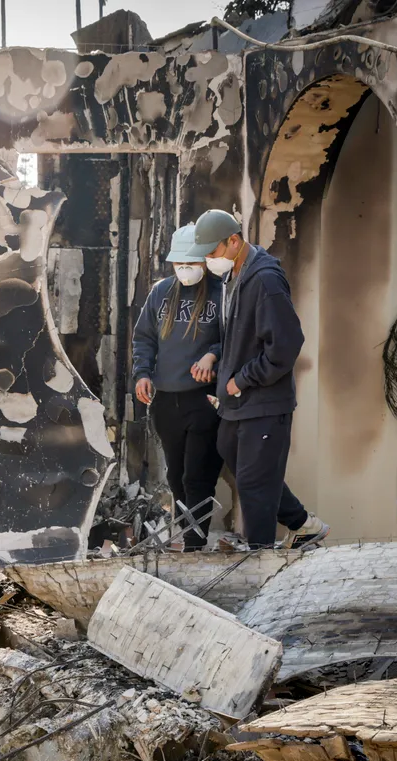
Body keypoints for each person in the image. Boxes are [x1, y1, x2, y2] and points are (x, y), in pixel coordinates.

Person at [185, 209, 330, 550]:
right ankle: (302, 524)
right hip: (236, 402)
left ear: (233, 241)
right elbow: (239, 336)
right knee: (237, 460)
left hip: (263, 402)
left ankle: (260, 559)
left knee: (254, 483)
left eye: (212, 252)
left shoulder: (265, 279)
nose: (208, 260)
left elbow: (286, 344)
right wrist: (218, 362)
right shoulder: (231, 277)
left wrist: (241, 380)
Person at [132, 224, 226, 551]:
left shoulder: (223, 293)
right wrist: (142, 373)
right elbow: (144, 338)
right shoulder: (160, 293)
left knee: (196, 475)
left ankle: (194, 543)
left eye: (191, 262)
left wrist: (214, 354)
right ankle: (189, 536)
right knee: (175, 477)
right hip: (166, 400)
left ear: (205, 260)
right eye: (179, 263)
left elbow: (238, 340)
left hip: (205, 399)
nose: (184, 269)